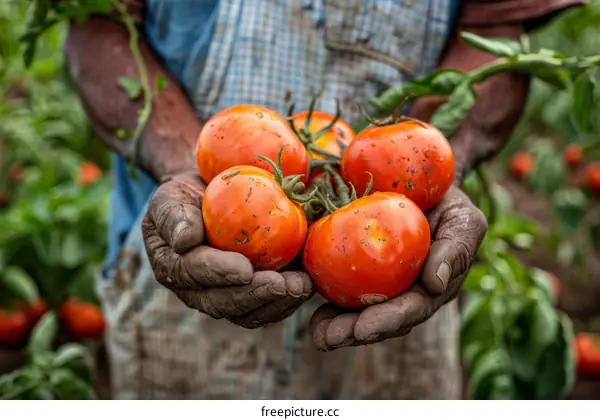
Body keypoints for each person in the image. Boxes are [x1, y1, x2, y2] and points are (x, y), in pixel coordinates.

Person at [64, 0, 585, 399]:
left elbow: (496, 27)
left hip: (401, 313)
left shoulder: (277, 188)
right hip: (174, 293)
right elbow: (96, 22)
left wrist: (441, 161)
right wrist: (183, 162)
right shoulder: (284, 186)